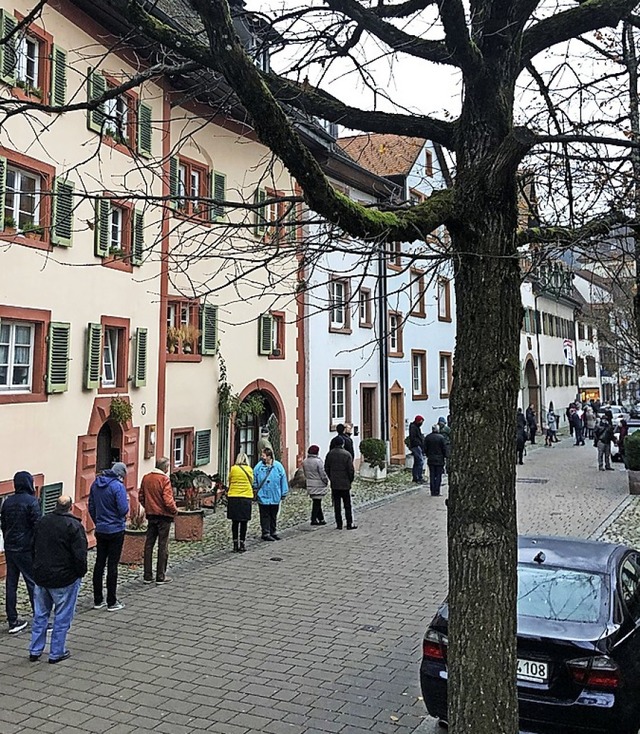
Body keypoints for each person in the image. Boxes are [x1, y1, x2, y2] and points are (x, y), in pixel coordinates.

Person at [28, 495, 88, 663]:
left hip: (42, 576)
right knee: (62, 617)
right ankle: (56, 652)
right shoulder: (74, 526)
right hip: (65, 578)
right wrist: (80, 573)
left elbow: (33, 547)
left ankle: (35, 650)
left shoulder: (42, 522)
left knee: (40, 615)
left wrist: (36, 567)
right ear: (70, 507)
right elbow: (80, 555)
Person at [0, 471, 41, 634]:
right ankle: (40, 617)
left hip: (10, 547)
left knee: (11, 583)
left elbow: (3, 524)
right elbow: (37, 525)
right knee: (33, 583)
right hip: (26, 548)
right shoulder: (32, 501)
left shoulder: (7, 502)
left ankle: (12, 620)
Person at [88, 462, 129, 612]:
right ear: (120, 474)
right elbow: (123, 509)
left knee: (99, 563)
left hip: (101, 529)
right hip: (116, 529)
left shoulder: (95, 484)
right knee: (112, 565)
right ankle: (112, 601)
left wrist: (98, 520)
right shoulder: (117, 487)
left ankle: (98, 599)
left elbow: (91, 506)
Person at [139, 457, 177, 583]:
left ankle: (147, 575)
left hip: (151, 515)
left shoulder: (146, 477)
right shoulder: (164, 479)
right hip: (163, 516)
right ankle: (160, 576)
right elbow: (168, 500)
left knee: (149, 545)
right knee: (162, 545)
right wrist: (174, 510)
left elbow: (141, 497)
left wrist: (148, 507)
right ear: (165, 467)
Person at [253, 447, 288, 541]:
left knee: (273, 514)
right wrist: (255, 488)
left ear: (269, 456)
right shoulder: (258, 467)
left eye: (263, 455)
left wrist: (284, 492)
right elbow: (254, 479)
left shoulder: (278, 466)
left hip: (275, 495)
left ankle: (273, 531)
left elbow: (283, 480)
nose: (262, 457)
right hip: (263, 495)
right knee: (264, 515)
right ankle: (265, 532)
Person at [324, 436, 357, 529]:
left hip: (335, 483)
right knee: (347, 505)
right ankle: (349, 523)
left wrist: (331, 477)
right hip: (345, 483)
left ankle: (339, 524)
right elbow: (351, 470)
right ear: (342, 444)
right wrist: (350, 480)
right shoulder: (347, 454)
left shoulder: (330, 454)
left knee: (337, 505)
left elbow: (326, 467)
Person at [227, 453, 254, 552]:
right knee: (244, 522)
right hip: (246, 497)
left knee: (235, 522)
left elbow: (229, 480)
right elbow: (252, 482)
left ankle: (235, 544)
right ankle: (242, 543)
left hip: (233, 497)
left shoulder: (233, 469)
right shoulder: (249, 470)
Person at [302, 445, 329, 525]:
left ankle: (321, 519)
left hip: (310, 483)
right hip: (318, 484)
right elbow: (322, 473)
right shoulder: (318, 461)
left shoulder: (305, 461)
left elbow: (305, 473)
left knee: (317, 501)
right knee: (317, 502)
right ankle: (313, 519)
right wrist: (326, 481)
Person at [424, 424, 447, 496]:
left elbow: (425, 448)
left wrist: (428, 455)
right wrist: (445, 456)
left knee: (432, 475)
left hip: (431, 459)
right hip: (439, 459)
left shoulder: (428, 437)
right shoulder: (441, 438)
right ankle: (437, 491)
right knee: (438, 476)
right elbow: (444, 449)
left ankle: (432, 491)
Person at [408, 415, 425, 484]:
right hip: (416, 446)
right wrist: (419, 443)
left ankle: (416, 477)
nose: (422, 423)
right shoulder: (413, 428)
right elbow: (413, 438)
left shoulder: (416, 427)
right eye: (421, 421)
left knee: (417, 462)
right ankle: (418, 477)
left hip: (416, 446)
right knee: (420, 461)